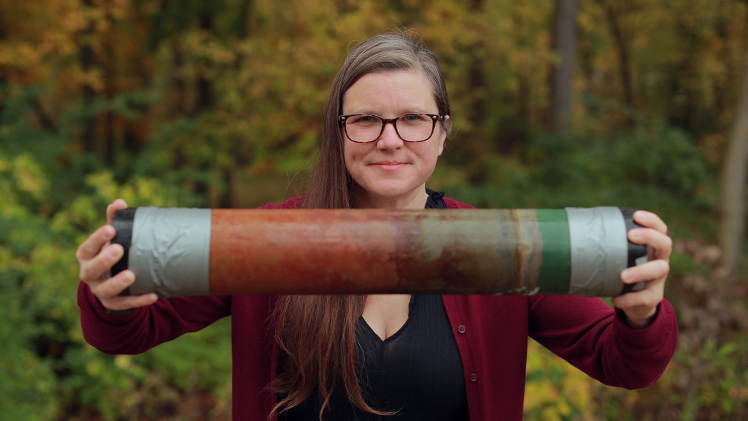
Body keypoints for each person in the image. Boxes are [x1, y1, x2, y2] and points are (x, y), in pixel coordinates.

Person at [76, 31, 678, 421]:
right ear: (339, 132)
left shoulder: (502, 249)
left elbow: (623, 364)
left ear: (442, 132)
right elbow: (125, 334)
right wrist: (110, 291)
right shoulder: (267, 244)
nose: (389, 140)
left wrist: (642, 310)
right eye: (365, 119)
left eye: (413, 118)